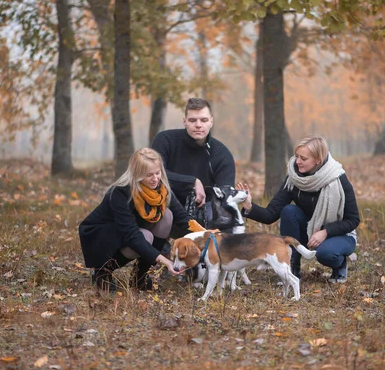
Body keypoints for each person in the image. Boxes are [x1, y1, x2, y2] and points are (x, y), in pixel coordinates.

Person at [237, 136, 359, 283]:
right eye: (296, 156)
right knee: (289, 211)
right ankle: (291, 269)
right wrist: (250, 207)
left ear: (318, 160)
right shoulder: (294, 179)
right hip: (309, 231)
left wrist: (326, 232)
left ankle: (339, 265)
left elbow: (353, 220)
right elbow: (271, 214)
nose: (297, 161)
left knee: (326, 254)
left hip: (339, 234)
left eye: (303, 158)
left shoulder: (338, 179)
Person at [78, 147, 191, 292]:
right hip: (101, 236)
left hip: (132, 233)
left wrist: (207, 235)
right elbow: (132, 235)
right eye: (149, 175)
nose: (156, 178)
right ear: (137, 174)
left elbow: (183, 218)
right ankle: (102, 273)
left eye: (158, 173)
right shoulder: (120, 193)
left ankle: (139, 276)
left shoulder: (161, 189)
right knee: (145, 236)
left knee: (167, 216)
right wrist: (165, 261)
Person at [151, 97, 236, 228]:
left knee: (222, 215)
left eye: (204, 120)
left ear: (211, 122)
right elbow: (154, 176)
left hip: (203, 210)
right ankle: (159, 248)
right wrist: (192, 182)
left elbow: (225, 196)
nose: (198, 125)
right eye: (192, 120)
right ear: (184, 122)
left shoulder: (222, 154)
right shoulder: (165, 140)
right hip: (166, 203)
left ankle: (210, 247)